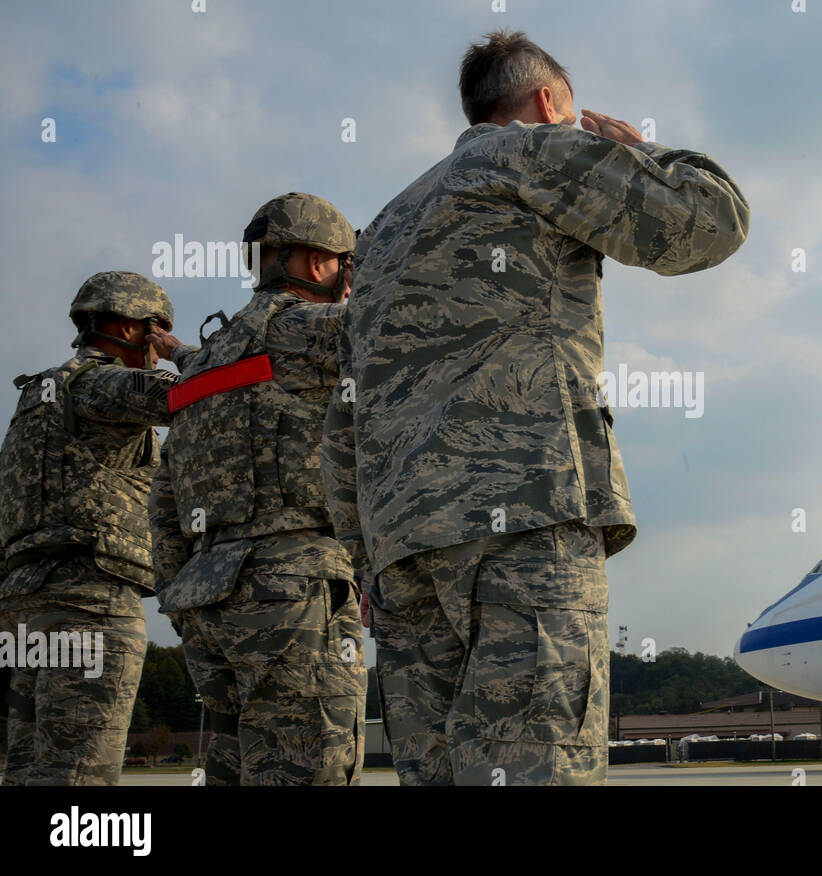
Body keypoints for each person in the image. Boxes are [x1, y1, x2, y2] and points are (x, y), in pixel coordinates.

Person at [322, 29, 749, 785]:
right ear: (549, 102)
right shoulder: (529, 151)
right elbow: (709, 224)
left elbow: (343, 417)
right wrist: (645, 153)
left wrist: (366, 563)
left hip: (402, 554)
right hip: (523, 519)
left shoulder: (380, 231)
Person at [149, 193, 365, 785]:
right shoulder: (309, 330)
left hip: (204, 600)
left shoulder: (202, 363)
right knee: (306, 765)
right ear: (320, 264)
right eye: (347, 265)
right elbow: (416, 321)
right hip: (294, 589)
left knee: (232, 769)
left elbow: (163, 503)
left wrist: (178, 597)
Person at [0, 271, 191, 785]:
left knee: (26, 769)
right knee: (80, 776)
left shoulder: (36, 398)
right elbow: (208, 392)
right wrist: (185, 355)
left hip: (23, 604)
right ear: (134, 329)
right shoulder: (102, 383)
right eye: (156, 334)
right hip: (88, 600)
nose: (157, 351)